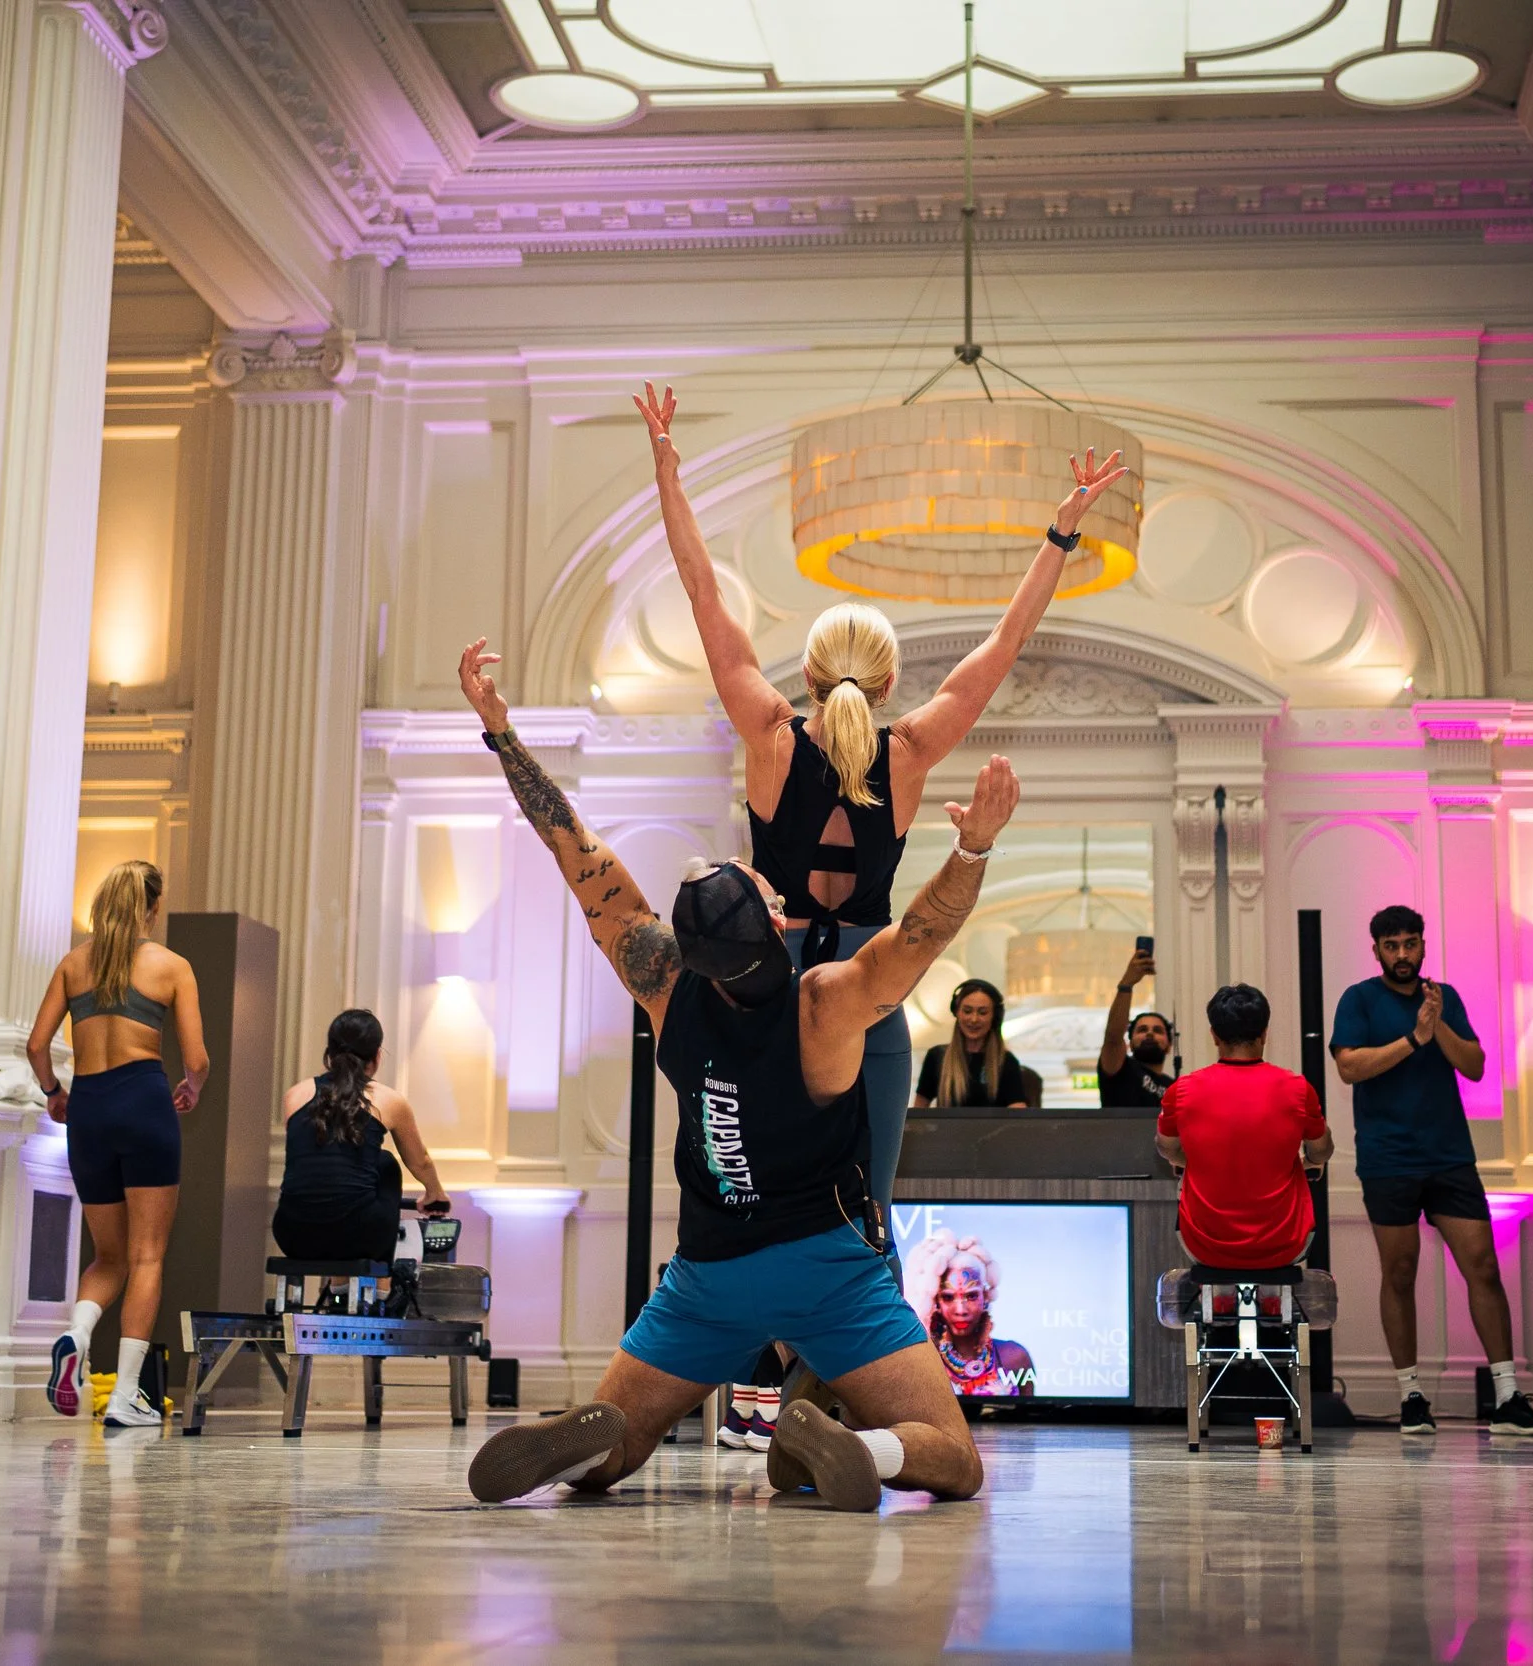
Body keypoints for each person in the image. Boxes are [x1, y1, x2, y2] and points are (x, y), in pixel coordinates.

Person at [454, 638, 1011, 1513]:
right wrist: (972, 847)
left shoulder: (665, 987)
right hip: (829, 1271)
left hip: (710, 1274)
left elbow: (575, 849)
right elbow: (920, 936)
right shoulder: (825, 1004)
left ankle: (594, 1439)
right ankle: (857, 1442)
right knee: (953, 1456)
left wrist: (503, 739)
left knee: (628, 1435)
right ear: (776, 920)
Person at [634, 384, 1122, 1221]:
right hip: (873, 997)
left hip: (762, 993)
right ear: (892, 682)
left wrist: (668, 473)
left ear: (807, 677)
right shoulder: (910, 753)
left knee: (753, 1211)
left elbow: (702, 593)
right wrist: (1060, 532)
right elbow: (1005, 643)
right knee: (867, 1221)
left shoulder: (769, 734)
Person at [1330, 904, 1533, 1436]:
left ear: (1423, 945)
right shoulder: (1358, 999)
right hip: (1388, 1158)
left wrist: (1435, 1024)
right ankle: (1411, 1398)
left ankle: (1507, 1396)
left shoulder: (1442, 998)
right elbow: (1349, 1067)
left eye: (1411, 943)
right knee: (1399, 1274)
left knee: (1483, 1267)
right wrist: (1411, 1041)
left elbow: (1473, 1066)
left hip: (1450, 1156)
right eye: (1392, 945)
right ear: (1376, 949)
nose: (1403, 954)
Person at [30, 861, 209, 1429]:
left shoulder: (72, 964)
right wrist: (192, 1087)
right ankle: (129, 1393)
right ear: (151, 908)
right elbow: (198, 1058)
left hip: (88, 1107)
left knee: (107, 1256)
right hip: (143, 1102)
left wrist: (55, 1093)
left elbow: (37, 1046)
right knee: (147, 1255)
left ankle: (75, 1333)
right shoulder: (171, 966)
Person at [1156, 984, 1332, 1273]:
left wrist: (1188, 1161)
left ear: (1214, 1036)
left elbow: (1167, 1148)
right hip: (1284, 1244)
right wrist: (1309, 1161)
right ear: (1265, 1033)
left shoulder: (1181, 1090)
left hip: (1205, 1245)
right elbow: (1322, 1149)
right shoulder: (1298, 1089)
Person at [272, 1009, 450, 1262]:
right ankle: (382, 1288)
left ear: (329, 1053)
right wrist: (435, 1194)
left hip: (292, 1235)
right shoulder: (388, 1100)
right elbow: (419, 1160)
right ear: (377, 1056)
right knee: (385, 1163)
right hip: (359, 1238)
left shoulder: (295, 1095)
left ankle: (339, 1287)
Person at [902, 1233, 1034, 1397]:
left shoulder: (1014, 1357)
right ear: (936, 1301)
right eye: (948, 1297)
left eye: (971, 1296)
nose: (961, 1310)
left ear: (985, 1296)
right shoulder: (922, 1365)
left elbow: (1029, 1418)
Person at [914, 979, 1029, 1109]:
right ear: (957, 1012)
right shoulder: (936, 1057)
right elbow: (919, 1112)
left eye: (982, 1012)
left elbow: (1018, 1113)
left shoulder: (1006, 1061)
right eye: (967, 1011)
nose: (974, 1019)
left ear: (995, 1017)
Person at [1097, 946, 1175, 1109]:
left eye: (1158, 1030)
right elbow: (1112, 1038)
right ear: (1130, 1043)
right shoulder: (1120, 1069)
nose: (1149, 1034)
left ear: (1169, 1046)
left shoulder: (1174, 1087)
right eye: (1142, 1030)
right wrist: (1126, 985)